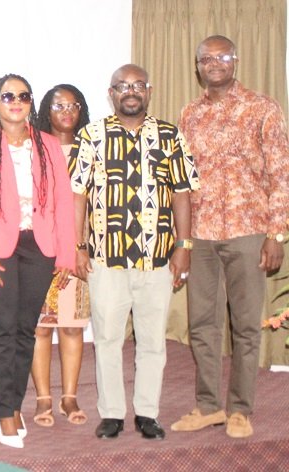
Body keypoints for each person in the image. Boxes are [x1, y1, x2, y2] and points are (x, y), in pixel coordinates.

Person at [70, 64, 199, 441]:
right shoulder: (91, 135)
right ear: (111, 93)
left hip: (156, 257)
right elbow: (77, 193)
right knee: (108, 338)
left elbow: (182, 192)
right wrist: (78, 245)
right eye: (122, 86)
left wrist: (184, 246)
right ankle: (111, 413)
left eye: (137, 85)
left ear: (149, 90)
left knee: (152, 340)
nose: (130, 91)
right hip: (105, 258)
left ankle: (147, 412)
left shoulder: (169, 136)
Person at [171, 35, 289, 439]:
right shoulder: (189, 114)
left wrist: (276, 233)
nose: (215, 63)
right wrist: (180, 239)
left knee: (245, 325)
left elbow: (281, 172)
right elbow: (181, 181)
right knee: (202, 324)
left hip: (248, 230)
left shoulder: (262, 107)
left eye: (222, 56)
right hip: (200, 234)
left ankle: (240, 408)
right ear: (197, 65)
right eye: (207, 58)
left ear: (235, 61)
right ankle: (208, 406)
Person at [0, 74, 75, 449]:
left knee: (26, 329)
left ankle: (13, 402)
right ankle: (4, 411)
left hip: (39, 248)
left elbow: (62, 202)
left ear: (30, 103)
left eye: (23, 96)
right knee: (2, 328)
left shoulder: (48, 145)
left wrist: (67, 255)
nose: (16, 101)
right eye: (8, 95)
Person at [30, 84, 92, 428]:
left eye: (73, 105)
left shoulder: (91, 149)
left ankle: (69, 397)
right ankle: (43, 398)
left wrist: (79, 246)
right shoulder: (34, 149)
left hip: (78, 252)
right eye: (59, 105)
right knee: (40, 328)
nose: (67, 112)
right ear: (46, 111)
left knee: (71, 326)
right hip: (40, 252)